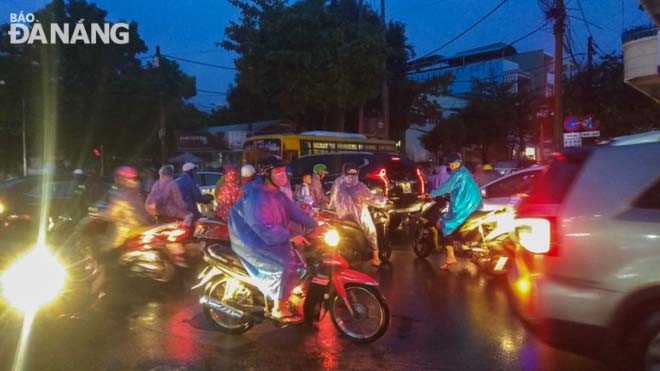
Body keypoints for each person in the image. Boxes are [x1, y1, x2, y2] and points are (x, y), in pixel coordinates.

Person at [228, 156, 317, 322]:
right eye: (278, 172)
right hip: (250, 239)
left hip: (272, 237)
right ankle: (278, 308)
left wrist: (316, 225)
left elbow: (293, 210)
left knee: (300, 260)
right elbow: (261, 226)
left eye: (283, 171)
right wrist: (290, 237)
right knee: (282, 265)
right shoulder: (256, 197)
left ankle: (288, 290)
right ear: (266, 174)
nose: (283, 175)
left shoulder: (276, 193)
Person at [430, 153, 483, 270]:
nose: (452, 166)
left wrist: (431, 193)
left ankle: (450, 256)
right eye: (451, 164)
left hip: (465, 205)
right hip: (474, 204)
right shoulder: (464, 172)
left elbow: (447, 186)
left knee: (445, 224)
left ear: (458, 163)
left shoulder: (459, 174)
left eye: (453, 164)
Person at [330, 162, 387, 266]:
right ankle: (376, 259)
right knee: (372, 232)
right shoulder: (360, 186)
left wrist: (330, 207)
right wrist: (384, 200)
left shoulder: (338, 182)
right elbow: (372, 199)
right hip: (358, 215)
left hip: (341, 215)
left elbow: (332, 198)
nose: (352, 174)